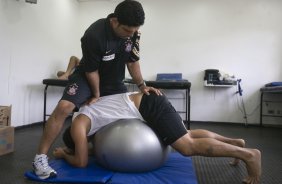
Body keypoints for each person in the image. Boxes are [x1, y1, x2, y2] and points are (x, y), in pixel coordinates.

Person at [33, 0, 161, 180]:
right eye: (127, 30)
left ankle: (92, 148)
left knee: (126, 114)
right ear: (115, 21)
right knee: (64, 107)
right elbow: (91, 71)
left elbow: (132, 61)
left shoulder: (133, 33)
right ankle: (40, 158)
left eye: (133, 31)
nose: (130, 35)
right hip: (87, 77)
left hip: (114, 81)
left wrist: (142, 85)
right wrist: (96, 95)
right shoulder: (94, 35)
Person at [53, 92, 261, 184]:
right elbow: (91, 150)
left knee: (186, 147)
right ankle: (235, 143)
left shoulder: (79, 127)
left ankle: (248, 155)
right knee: (187, 134)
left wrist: (64, 155)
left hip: (149, 107)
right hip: (146, 105)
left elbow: (81, 162)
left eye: (82, 143)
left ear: (78, 138)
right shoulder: (83, 115)